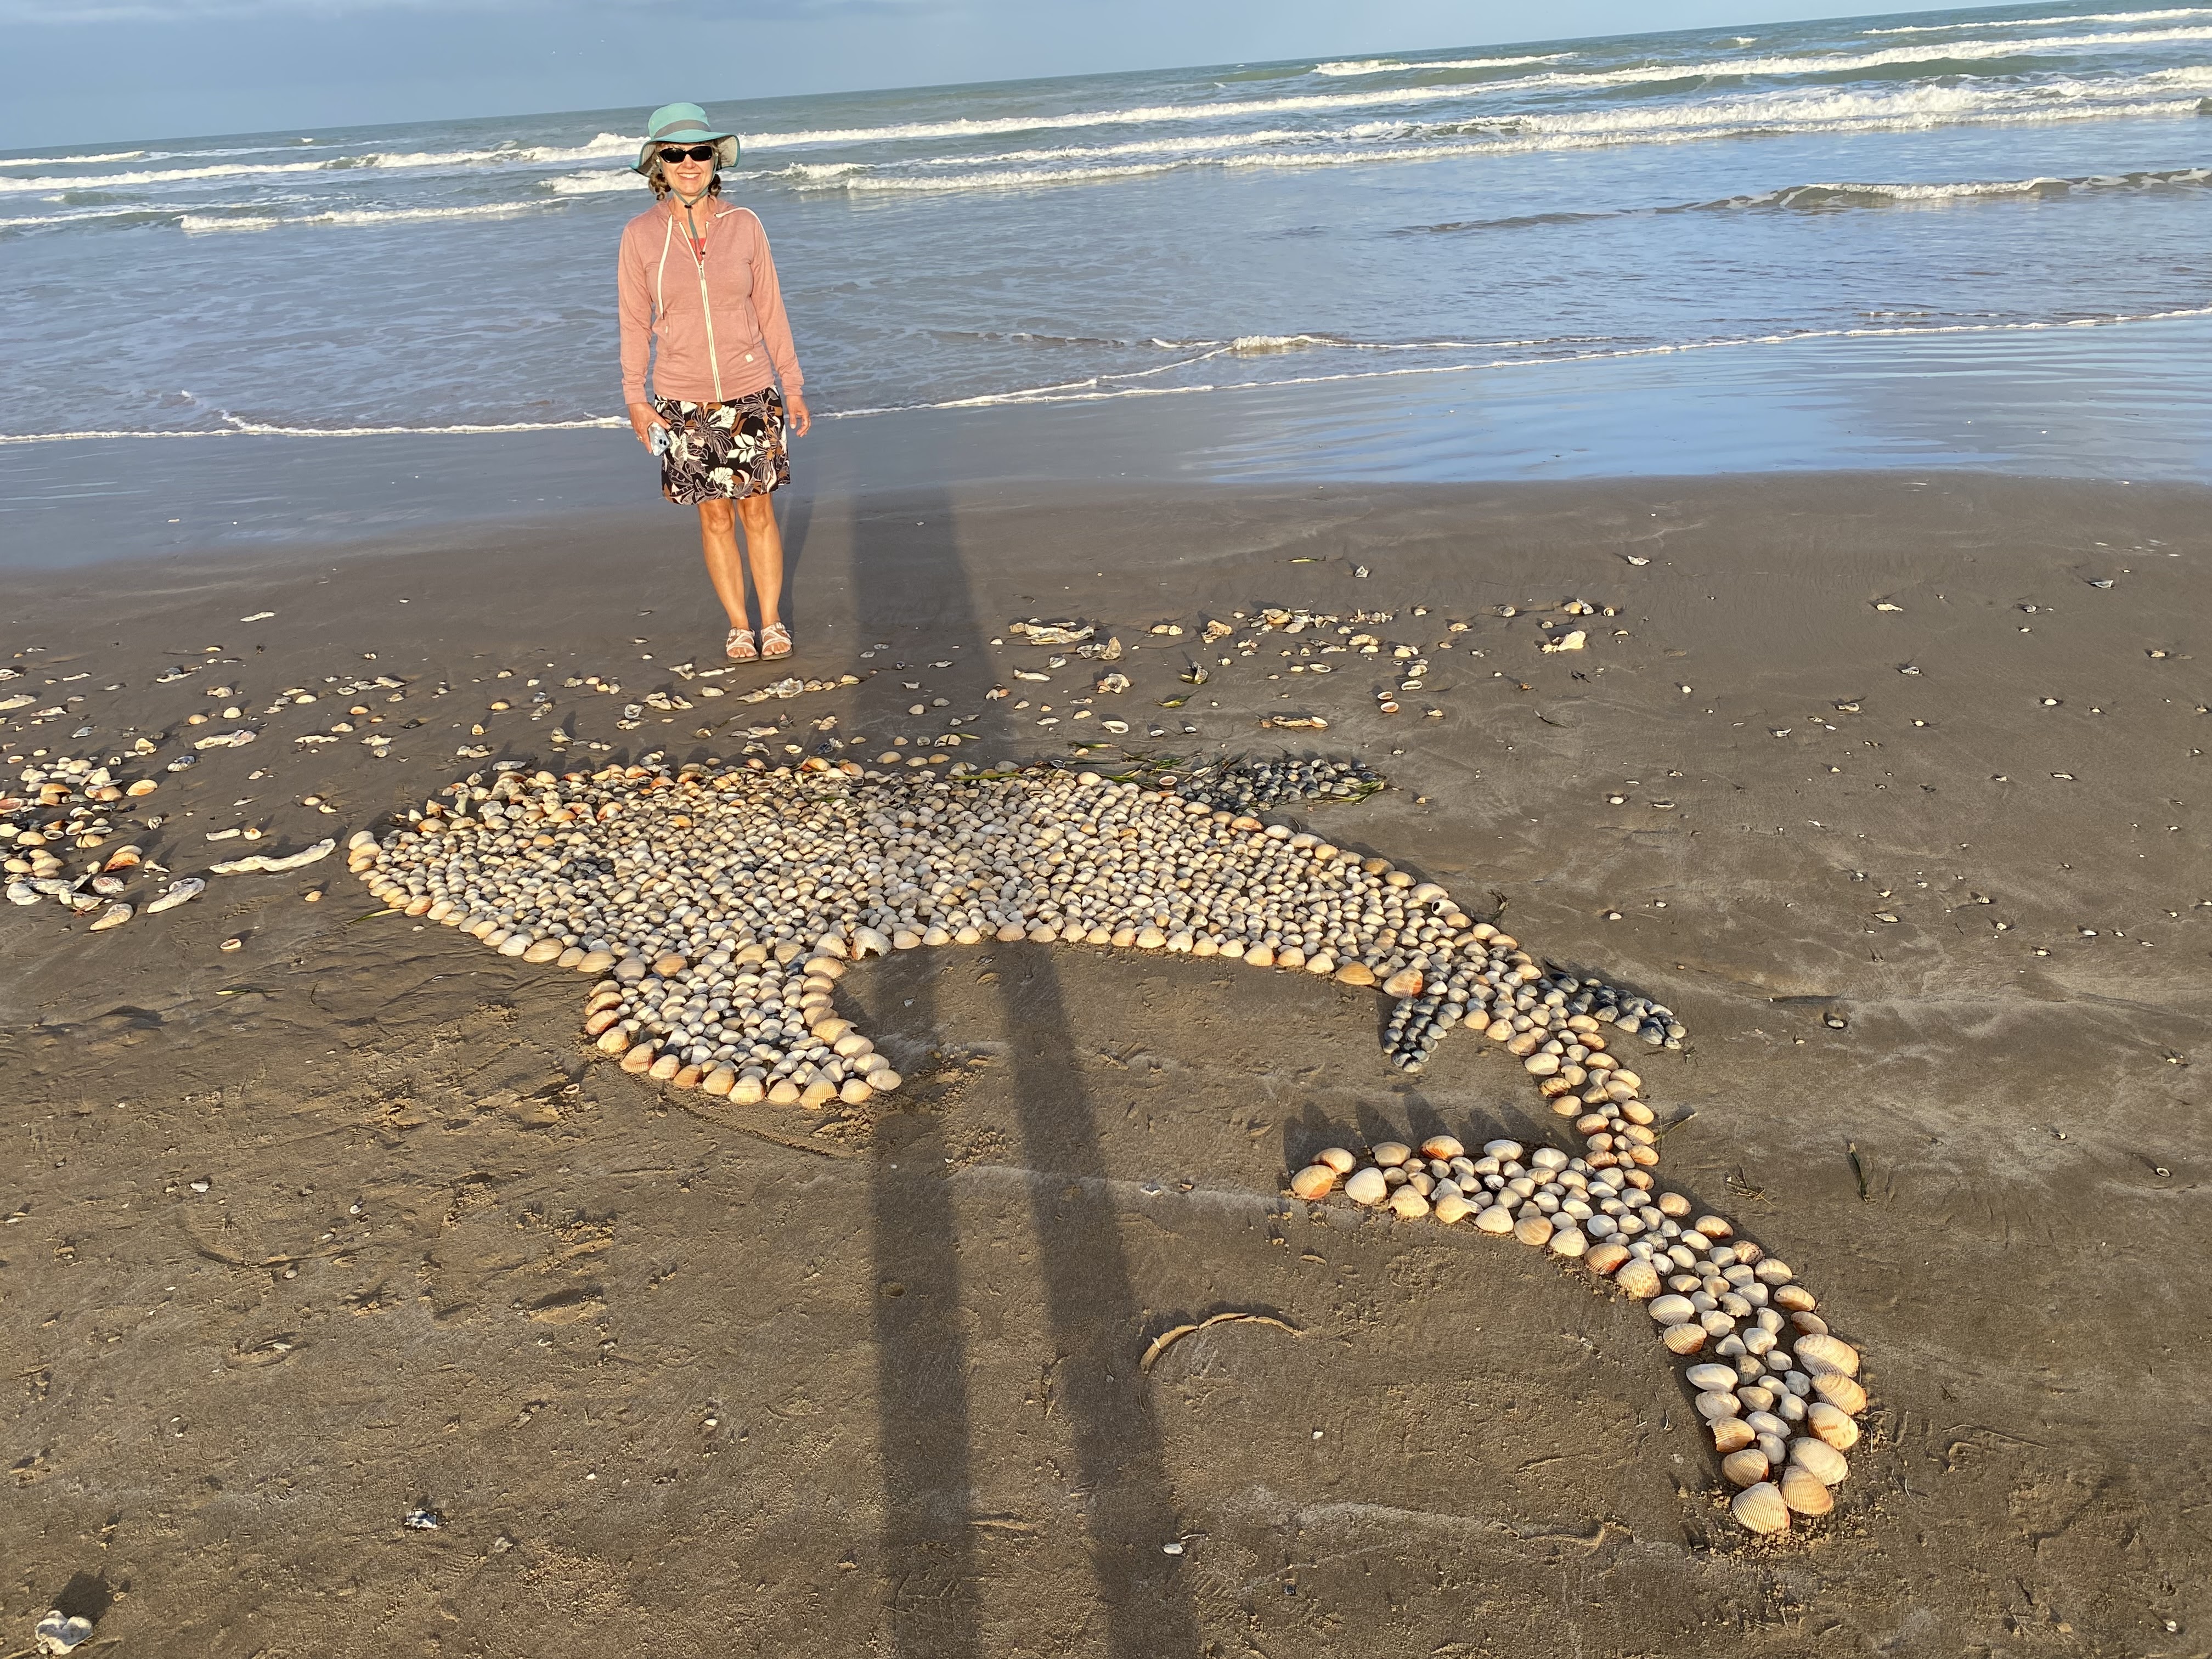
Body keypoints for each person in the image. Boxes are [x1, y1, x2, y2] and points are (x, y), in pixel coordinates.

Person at [618, 103, 812, 663]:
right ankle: (738, 625)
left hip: (751, 389)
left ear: (713, 161)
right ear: (658, 163)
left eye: (698, 152)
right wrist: (636, 398)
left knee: (757, 509)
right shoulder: (639, 237)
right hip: (681, 397)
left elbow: (771, 309)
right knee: (714, 514)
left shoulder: (745, 225)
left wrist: (792, 384)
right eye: (674, 154)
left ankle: (772, 621)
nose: (688, 162)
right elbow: (633, 323)